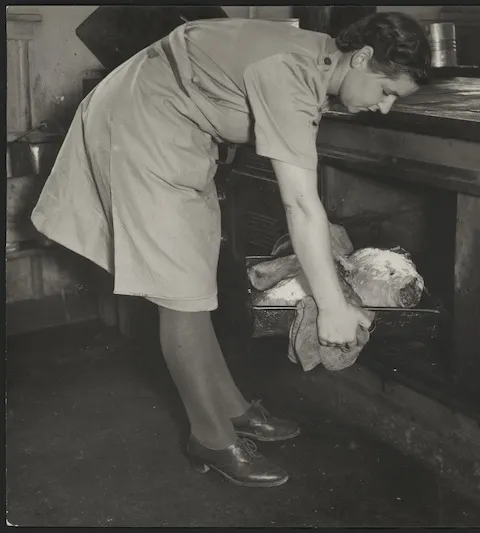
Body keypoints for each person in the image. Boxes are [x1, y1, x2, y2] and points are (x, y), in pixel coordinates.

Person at [31, 12, 431, 487]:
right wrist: (331, 306)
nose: (385, 106)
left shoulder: (320, 59)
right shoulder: (292, 71)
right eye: (386, 91)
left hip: (175, 130)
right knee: (180, 297)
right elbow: (301, 205)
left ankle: (233, 410)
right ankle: (210, 436)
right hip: (140, 129)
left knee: (195, 286)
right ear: (362, 58)